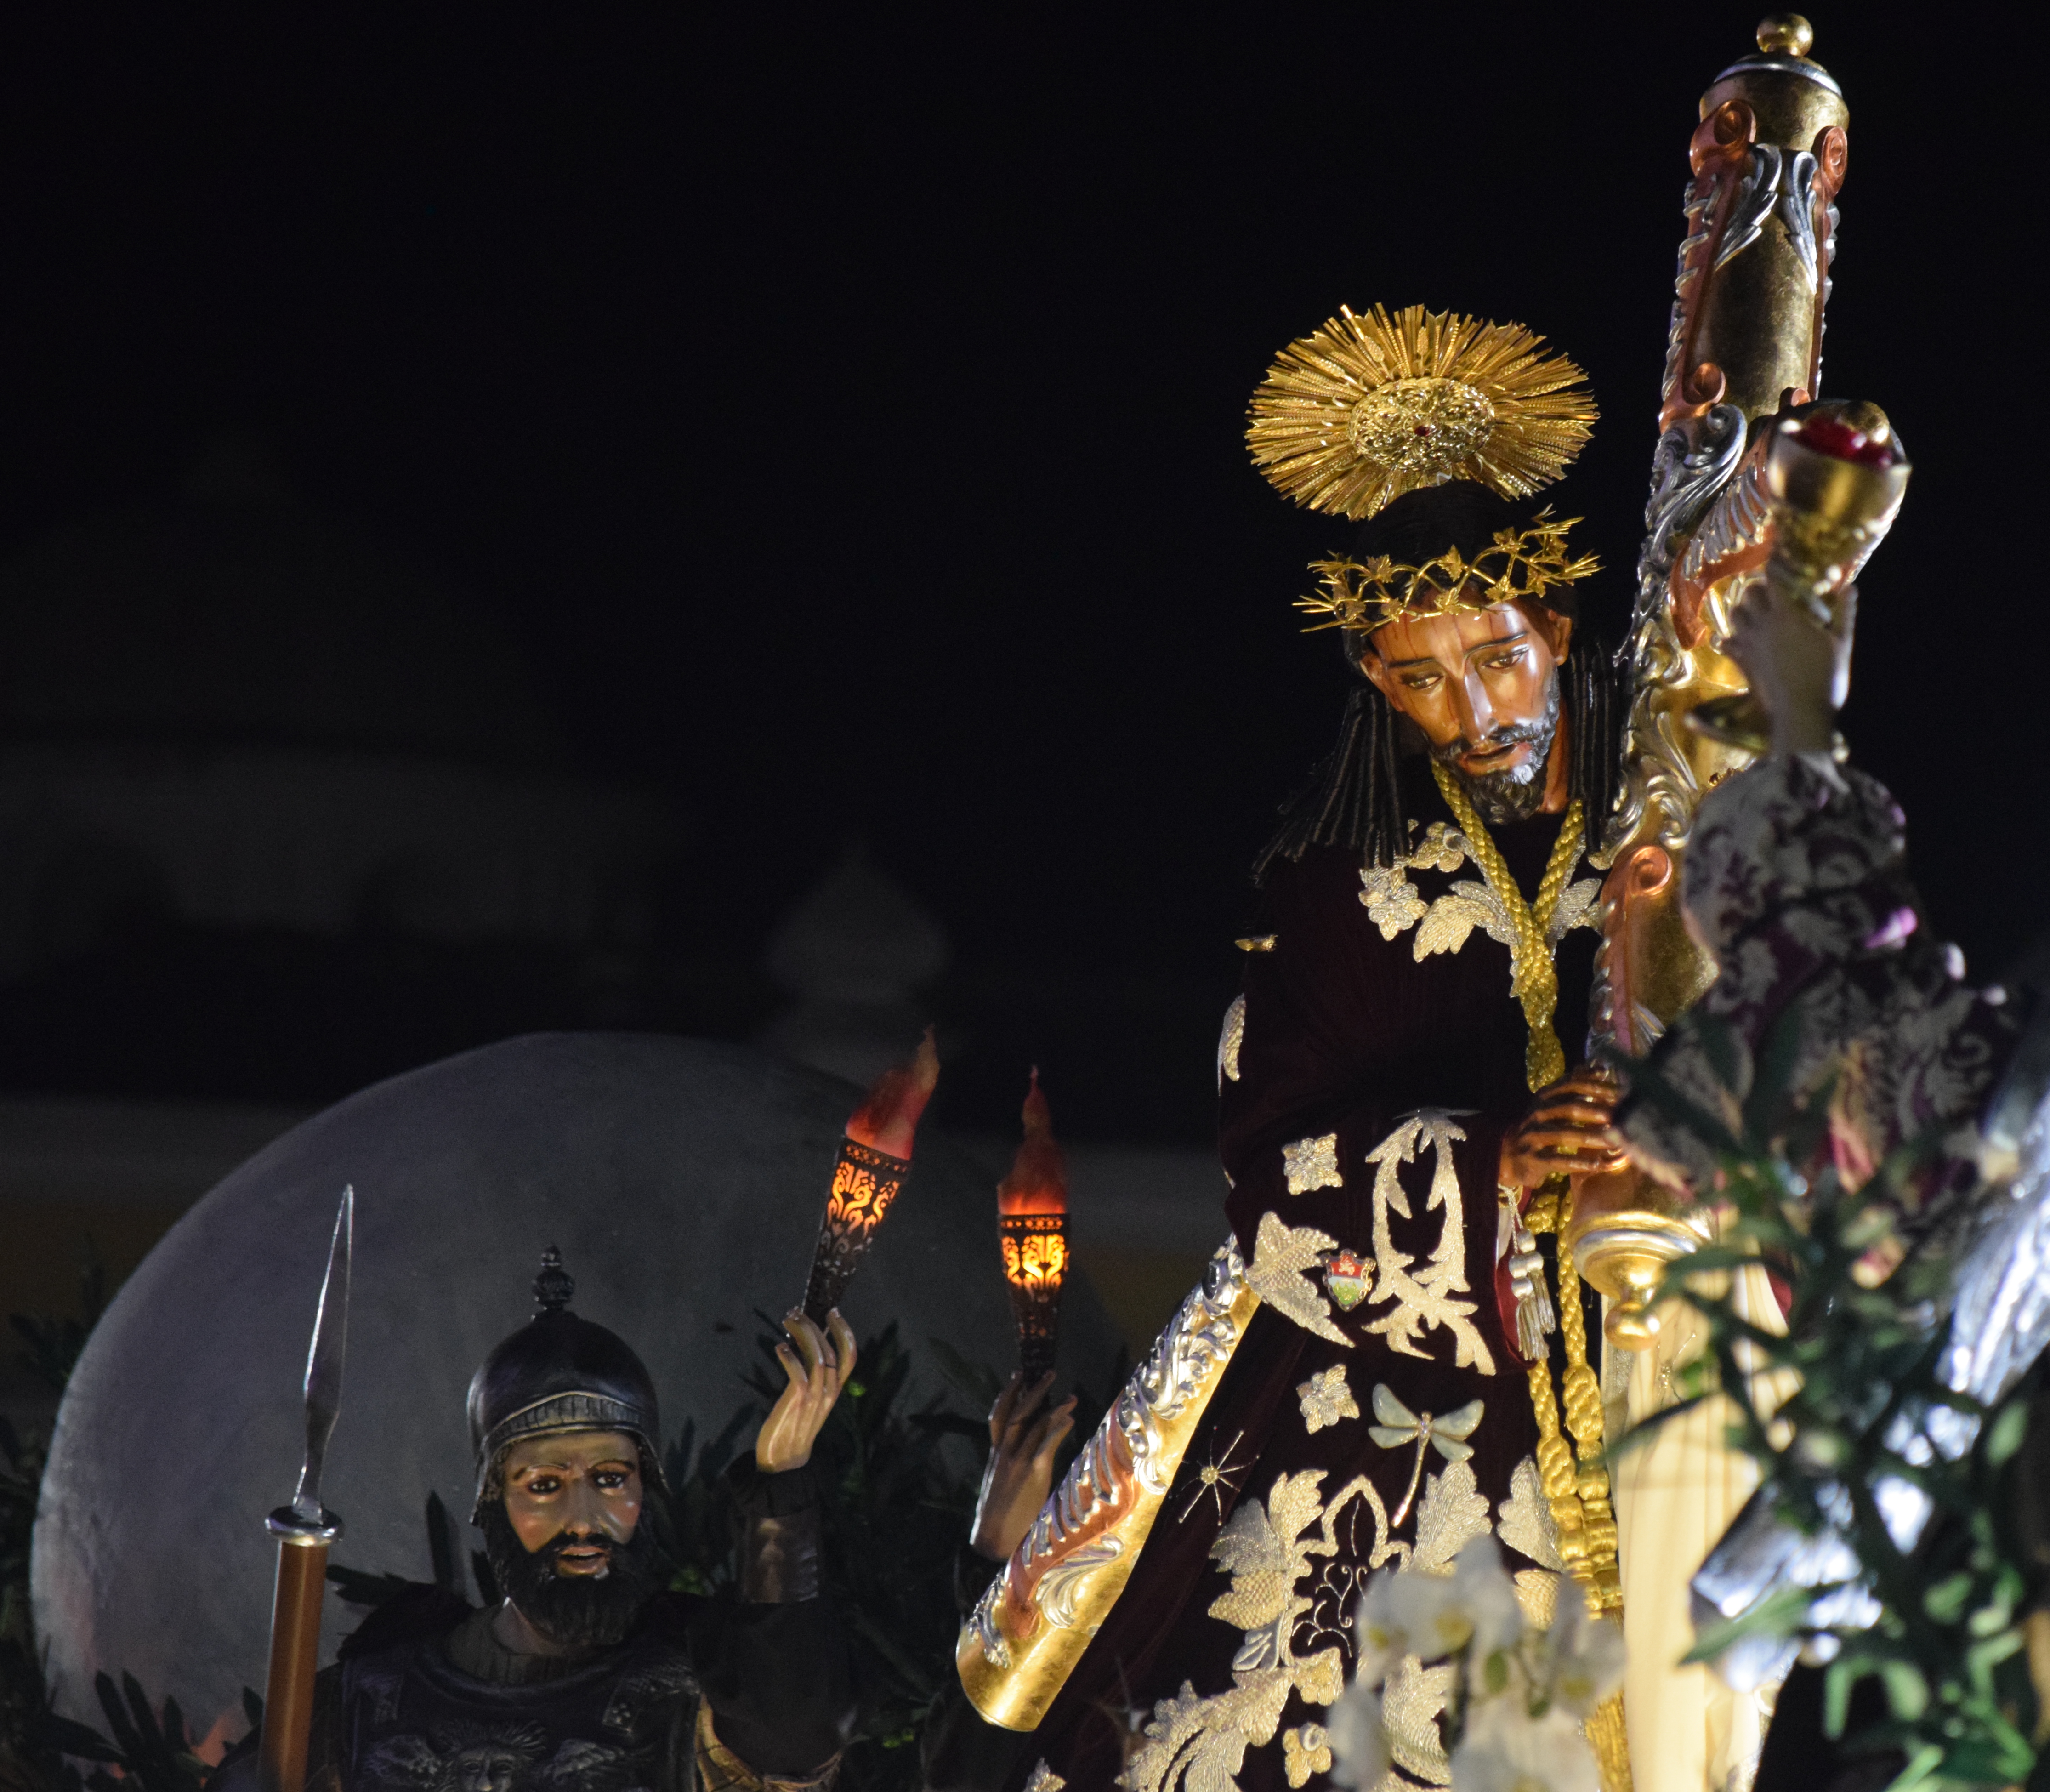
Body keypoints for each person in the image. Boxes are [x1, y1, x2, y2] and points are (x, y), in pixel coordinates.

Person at [955, 306, 1635, 1792]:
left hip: (1656, 1324)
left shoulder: (1667, 828)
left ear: (1561, 630)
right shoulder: (1335, 884)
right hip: (1411, 1375)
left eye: (1500, 657)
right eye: (1420, 679)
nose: (1473, 712)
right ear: (1374, 682)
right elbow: (1271, 1173)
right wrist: (1496, 1164)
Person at [219, 1251, 858, 1792]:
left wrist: (782, 1485)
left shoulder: (700, 1693)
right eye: (545, 1486)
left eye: (611, 1480)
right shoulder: (362, 1707)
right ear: (495, 1499)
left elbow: (797, 1736)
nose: (584, 1520)